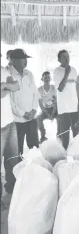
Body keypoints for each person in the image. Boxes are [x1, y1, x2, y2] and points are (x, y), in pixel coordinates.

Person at [8, 49, 40, 155]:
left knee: (35, 149)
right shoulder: (8, 75)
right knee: (17, 151)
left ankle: (35, 169)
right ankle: (17, 171)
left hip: (32, 118)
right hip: (17, 121)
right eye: (23, 59)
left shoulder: (29, 74)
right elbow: (8, 101)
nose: (25, 61)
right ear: (13, 60)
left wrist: (34, 110)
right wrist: (23, 113)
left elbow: (35, 94)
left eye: (26, 58)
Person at [53, 50, 79, 149]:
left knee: (76, 132)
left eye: (68, 56)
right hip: (64, 107)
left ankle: (76, 152)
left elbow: (76, 87)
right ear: (59, 60)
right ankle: (65, 155)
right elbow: (60, 89)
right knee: (65, 134)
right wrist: (66, 74)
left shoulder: (74, 69)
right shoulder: (57, 71)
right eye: (64, 57)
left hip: (74, 106)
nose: (67, 58)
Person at [1, 65, 21, 197]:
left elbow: (17, 86)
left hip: (10, 122)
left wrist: (3, 85)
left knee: (13, 159)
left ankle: (12, 190)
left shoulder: (3, 70)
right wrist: (7, 86)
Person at [37, 71, 57, 143]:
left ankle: (59, 134)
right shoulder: (39, 90)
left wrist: (53, 114)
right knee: (38, 119)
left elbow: (55, 102)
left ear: (50, 79)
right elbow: (40, 104)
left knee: (61, 117)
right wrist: (47, 114)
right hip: (45, 110)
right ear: (42, 79)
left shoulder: (53, 88)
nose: (47, 79)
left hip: (54, 109)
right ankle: (43, 136)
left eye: (48, 77)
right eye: (45, 77)